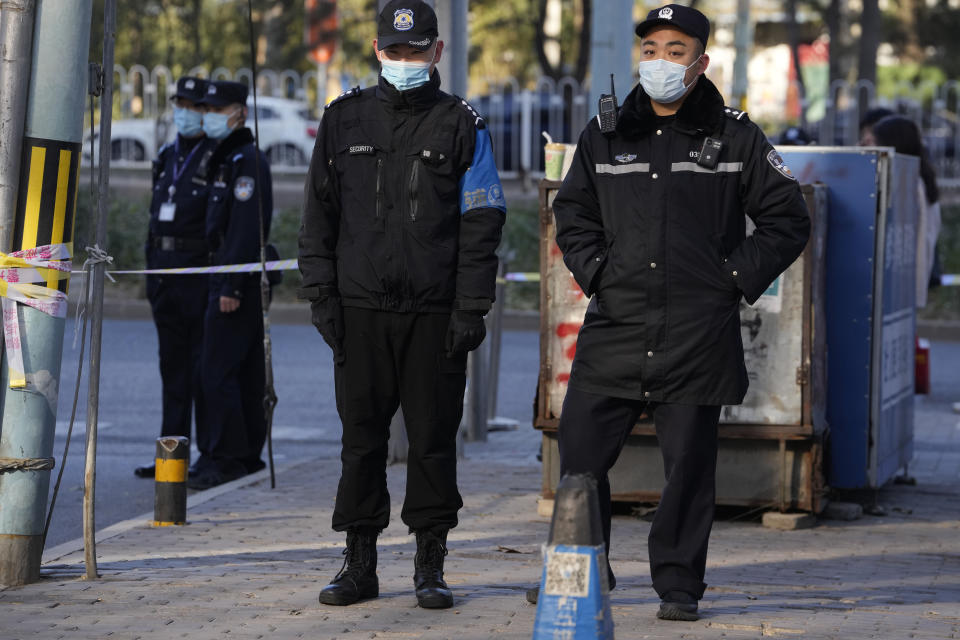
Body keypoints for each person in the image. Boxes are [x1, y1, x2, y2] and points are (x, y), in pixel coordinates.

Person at [529, 4, 811, 621]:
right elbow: (572, 214)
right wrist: (598, 271)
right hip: (617, 325)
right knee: (580, 455)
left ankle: (680, 585)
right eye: (651, 48)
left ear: (701, 61)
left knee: (688, 466)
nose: (659, 60)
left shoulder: (736, 136)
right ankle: (581, 571)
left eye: (675, 50)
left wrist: (731, 279)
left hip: (695, 331)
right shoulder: (604, 133)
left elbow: (788, 220)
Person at [298, 0, 506, 610]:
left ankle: (429, 564)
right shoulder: (343, 120)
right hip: (360, 311)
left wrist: (472, 306)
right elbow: (318, 215)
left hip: (435, 312)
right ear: (376, 49)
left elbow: (483, 220)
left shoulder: (462, 123)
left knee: (433, 442)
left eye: (417, 52)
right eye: (395, 51)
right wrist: (320, 295)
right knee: (360, 442)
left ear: (437, 52)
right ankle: (359, 564)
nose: (406, 61)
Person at [188, 80, 273, 491]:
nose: (208, 116)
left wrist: (232, 286)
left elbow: (244, 231)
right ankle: (238, 455)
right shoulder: (225, 157)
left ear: (239, 112)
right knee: (237, 371)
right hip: (221, 276)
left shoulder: (247, 160)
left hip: (232, 282)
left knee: (217, 372)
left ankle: (224, 457)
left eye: (216, 109)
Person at [136, 76, 216, 479]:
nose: (185, 112)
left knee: (202, 370)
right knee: (172, 369)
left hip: (197, 275)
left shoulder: (215, 155)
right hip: (164, 276)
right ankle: (171, 455)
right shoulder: (167, 154)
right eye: (180, 104)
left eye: (194, 106)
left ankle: (205, 456)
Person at [871, 115, 942, 306]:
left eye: (875, 142)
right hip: (911, 280)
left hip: (900, 282)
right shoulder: (923, 179)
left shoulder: (909, 185)